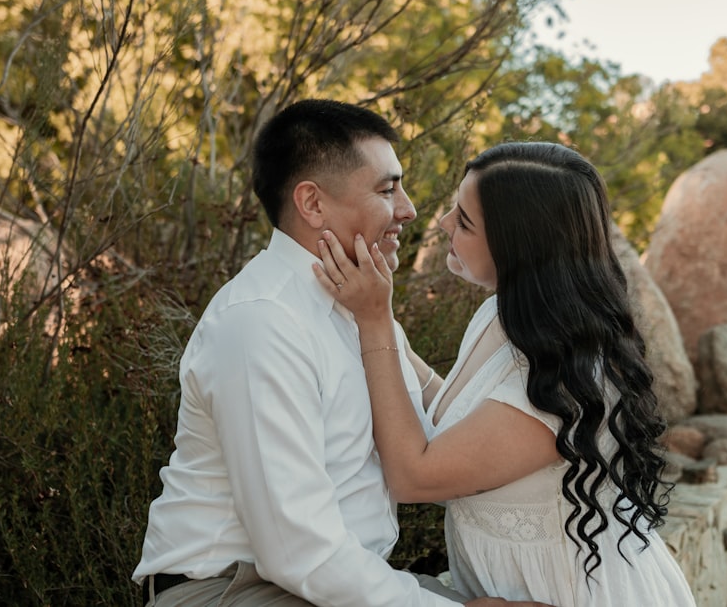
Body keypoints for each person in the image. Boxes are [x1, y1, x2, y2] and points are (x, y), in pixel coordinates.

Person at [132, 100, 553, 607]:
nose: (409, 209)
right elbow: (296, 549)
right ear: (312, 204)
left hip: (320, 581)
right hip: (230, 590)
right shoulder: (262, 323)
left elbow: (438, 452)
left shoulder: (360, 305)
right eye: (387, 188)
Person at [314, 141, 698, 606]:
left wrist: (375, 321)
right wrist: (376, 318)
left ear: (520, 248)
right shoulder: (504, 315)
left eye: (465, 221)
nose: (442, 224)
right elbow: (453, 415)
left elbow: (414, 476)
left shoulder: (567, 382)